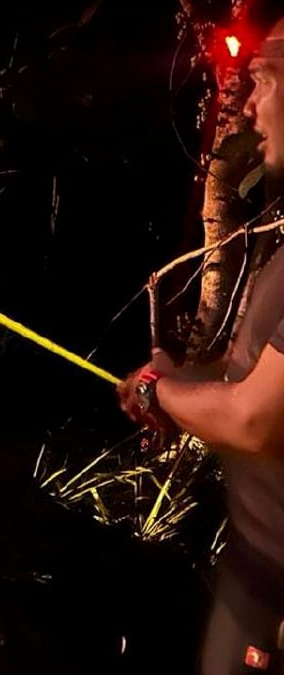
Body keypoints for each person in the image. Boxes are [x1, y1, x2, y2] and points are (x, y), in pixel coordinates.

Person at [117, 17, 284, 674]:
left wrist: (163, 390)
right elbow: (253, 371)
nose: (247, 105)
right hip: (255, 570)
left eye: (267, 82)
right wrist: (180, 379)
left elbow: (254, 417)